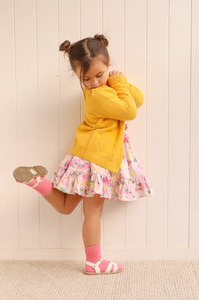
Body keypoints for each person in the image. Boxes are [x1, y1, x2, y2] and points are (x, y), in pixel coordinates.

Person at [13, 34, 154, 275]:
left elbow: (138, 97)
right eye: (85, 79)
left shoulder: (105, 88)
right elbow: (131, 110)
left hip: (85, 154)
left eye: (99, 75)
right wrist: (117, 83)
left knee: (67, 207)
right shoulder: (101, 95)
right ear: (78, 76)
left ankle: (37, 181)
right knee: (93, 213)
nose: (94, 82)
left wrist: (118, 81)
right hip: (96, 160)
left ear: (107, 66)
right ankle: (94, 262)